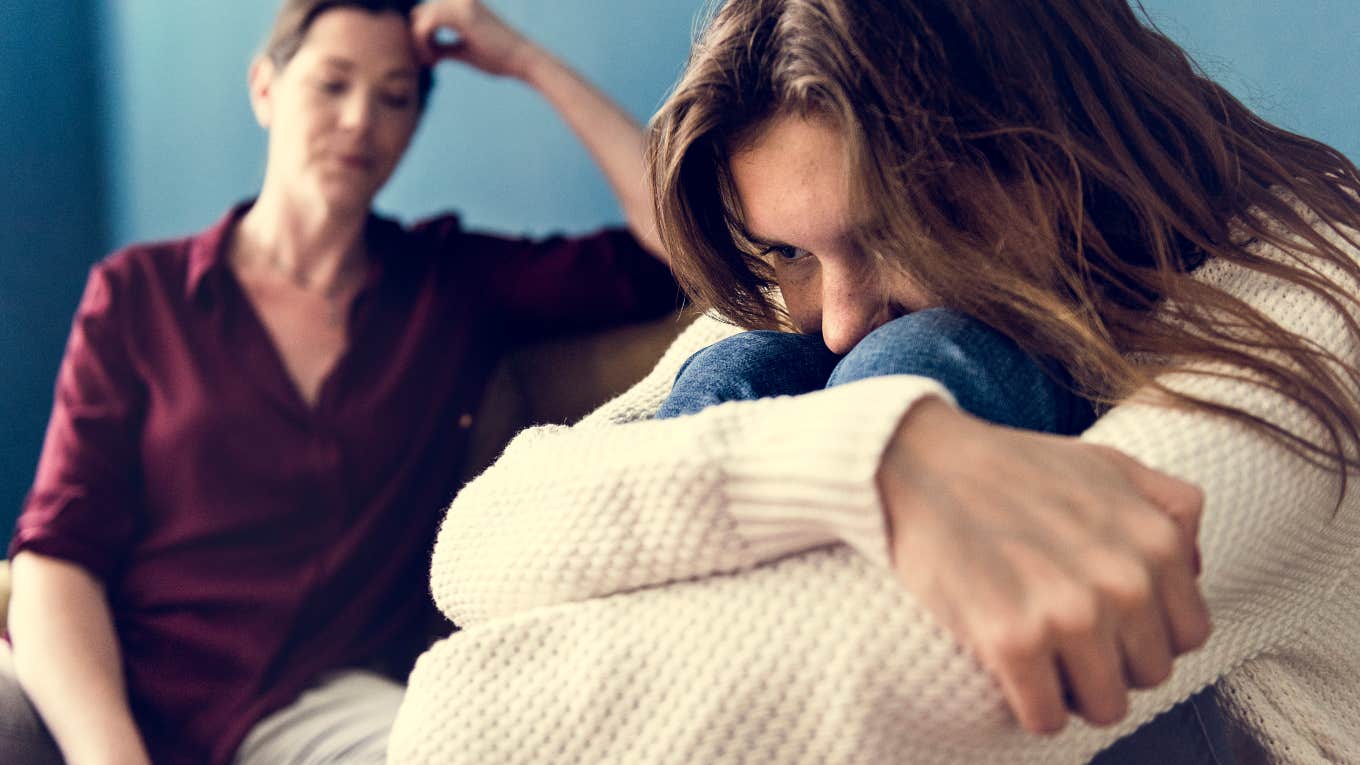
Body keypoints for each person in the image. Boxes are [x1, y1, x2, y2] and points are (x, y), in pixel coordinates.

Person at [389, 0, 1360, 762]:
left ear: (1058, 154)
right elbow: (478, 538)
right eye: (788, 251)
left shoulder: (1310, 304)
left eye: (895, 234)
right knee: (755, 361)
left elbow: (482, 726)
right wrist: (870, 455)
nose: (841, 316)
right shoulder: (801, 301)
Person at [1, 1, 680, 763]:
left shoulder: (449, 287)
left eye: (394, 97)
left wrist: (523, 58)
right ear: (265, 88)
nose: (360, 119)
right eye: (332, 84)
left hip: (310, 706)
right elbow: (58, 553)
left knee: (476, 745)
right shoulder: (138, 293)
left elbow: (680, 245)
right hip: (102, 684)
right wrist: (110, 750)